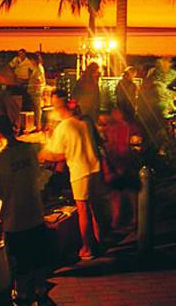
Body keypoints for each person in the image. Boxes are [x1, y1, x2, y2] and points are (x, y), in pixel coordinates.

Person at [0, 114, 50, 305]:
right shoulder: (29, 149)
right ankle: (41, 294)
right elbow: (36, 176)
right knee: (37, 259)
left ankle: (22, 297)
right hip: (35, 214)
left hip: (14, 221)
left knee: (19, 264)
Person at [39, 90, 106, 260]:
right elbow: (99, 140)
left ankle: (87, 248)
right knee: (95, 207)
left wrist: (42, 154)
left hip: (80, 171)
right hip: (96, 168)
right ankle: (101, 242)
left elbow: (55, 154)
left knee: (83, 209)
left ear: (58, 108)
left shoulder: (64, 127)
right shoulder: (87, 120)